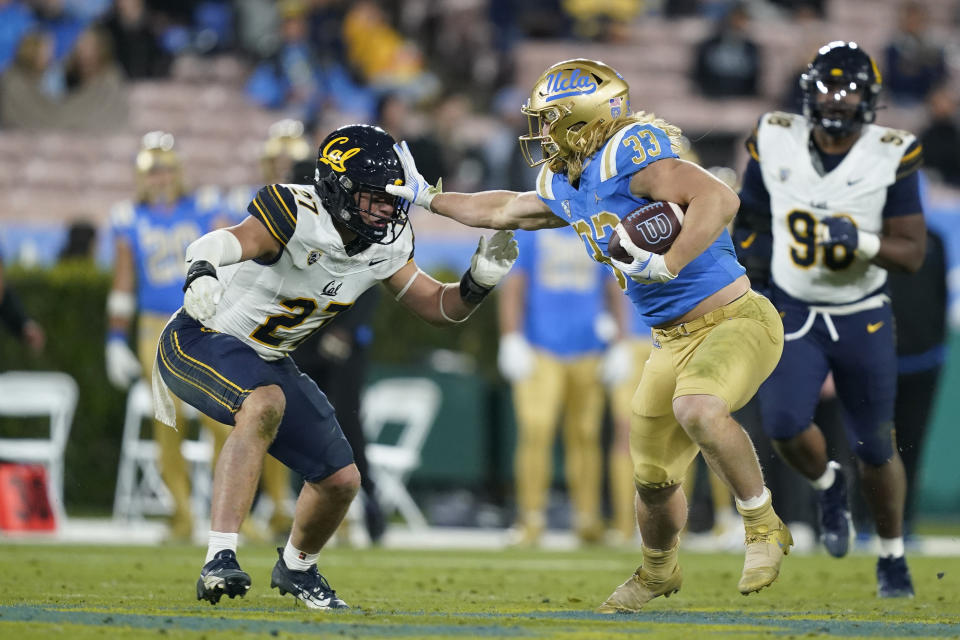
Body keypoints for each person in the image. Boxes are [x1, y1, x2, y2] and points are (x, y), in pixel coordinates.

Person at [386, 57, 789, 612]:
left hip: (737, 319)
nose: (542, 132)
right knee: (650, 480)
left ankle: (763, 525)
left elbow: (720, 199)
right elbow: (503, 208)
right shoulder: (565, 179)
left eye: (550, 119)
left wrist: (667, 263)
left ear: (583, 117)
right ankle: (657, 572)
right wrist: (428, 197)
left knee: (698, 409)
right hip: (669, 341)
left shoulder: (631, 151)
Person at [152, 124, 517, 608]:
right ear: (338, 189)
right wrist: (200, 272)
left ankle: (298, 569)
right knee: (264, 402)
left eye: (394, 198)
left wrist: (477, 281)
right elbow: (215, 243)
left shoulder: (384, 243)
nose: (390, 208)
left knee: (341, 480)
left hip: (268, 358)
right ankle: (220, 556)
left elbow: (437, 307)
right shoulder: (296, 212)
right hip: (200, 338)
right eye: (377, 197)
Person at [737, 41, 925, 598]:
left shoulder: (891, 151)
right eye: (826, 87)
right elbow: (749, 216)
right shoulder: (774, 135)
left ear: (870, 100)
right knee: (784, 424)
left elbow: (912, 253)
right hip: (794, 305)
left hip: (861, 310)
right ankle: (827, 485)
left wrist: (863, 241)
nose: (836, 100)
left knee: (874, 445)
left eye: (848, 90)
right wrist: (754, 269)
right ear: (807, 93)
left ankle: (891, 555)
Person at [106, 131, 232, 541]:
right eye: (152, 171)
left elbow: (230, 265)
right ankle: (181, 514)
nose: (159, 178)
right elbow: (124, 283)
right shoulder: (129, 217)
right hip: (152, 329)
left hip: (203, 322)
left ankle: (227, 515)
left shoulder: (206, 208)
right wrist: (113, 339)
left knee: (222, 420)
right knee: (168, 418)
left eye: (165, 170)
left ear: (178, 172)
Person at [497, 227, 626, 547]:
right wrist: (511, 336)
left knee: (586, 434)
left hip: (589, 348)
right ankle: (531, 518)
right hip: (540, 347)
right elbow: (514, 285)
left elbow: (615, 286)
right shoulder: (532, 228)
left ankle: (587, 518)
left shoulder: (597, 226)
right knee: (536, 429)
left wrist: (621, 342)